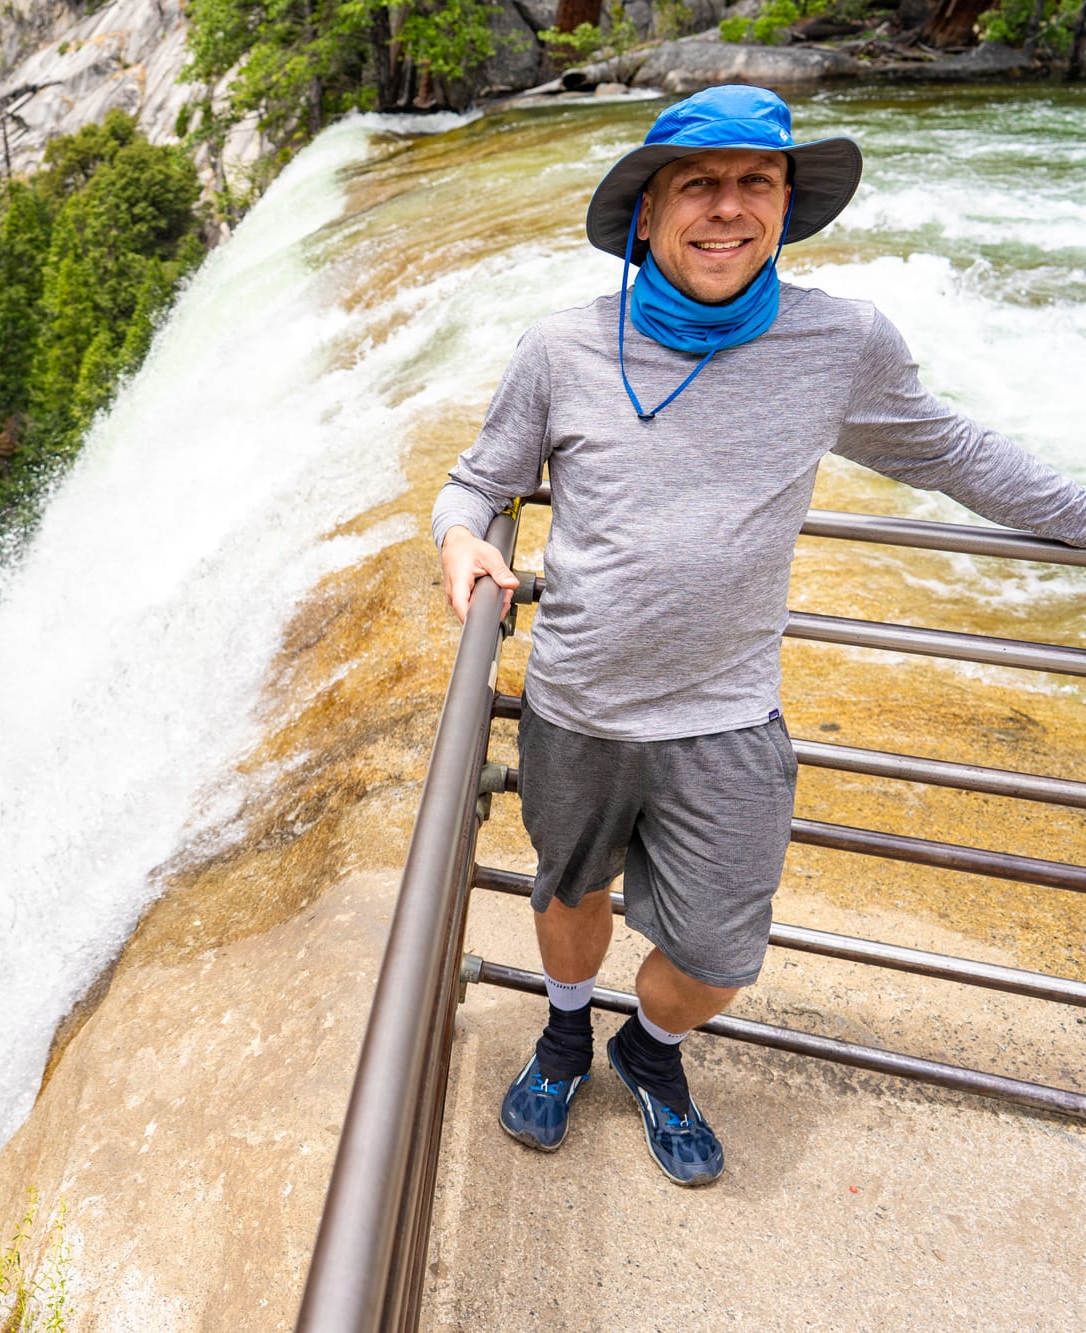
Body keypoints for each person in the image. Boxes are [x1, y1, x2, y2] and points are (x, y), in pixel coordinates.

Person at [429, 84, 1086, 1187]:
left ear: (785, 205)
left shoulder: (839, 342)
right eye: (697, 184)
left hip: (727, 718)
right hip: (575, 705)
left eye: (754, 183)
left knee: (718, 958)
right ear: (646, 213)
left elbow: (955, 453)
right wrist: (462, 543)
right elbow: (475, 481)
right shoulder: (562, 347)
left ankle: (650, 1050)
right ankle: (560, 1035)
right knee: (568, 898)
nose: (725, 209)